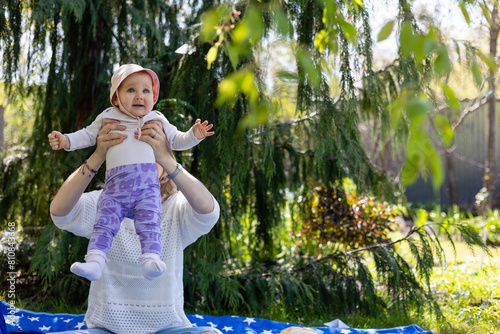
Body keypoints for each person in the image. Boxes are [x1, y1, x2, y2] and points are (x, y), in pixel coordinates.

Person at [49, 118, 221, 334]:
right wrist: (98, 155)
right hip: (105, 329)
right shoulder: (103, 203)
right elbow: (60, 212)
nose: (142, 159)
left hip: (167, 329)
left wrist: (166, 159)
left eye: (148, 149)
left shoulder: (175, 208)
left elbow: (209, 212)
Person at [48, 64, 214, 281]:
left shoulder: (157, 119)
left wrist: (195, 134)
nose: (139, 96)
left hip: (147, 189)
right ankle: (95, 262)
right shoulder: (108, 117)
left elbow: (178, 140)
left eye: (146, 91)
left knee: (150, 220)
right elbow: (87, 135)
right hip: (115, 188)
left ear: (153, 97)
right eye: (131, 90)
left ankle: (151, 258)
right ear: (116, 97)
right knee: (104, 221)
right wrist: (66, 140)